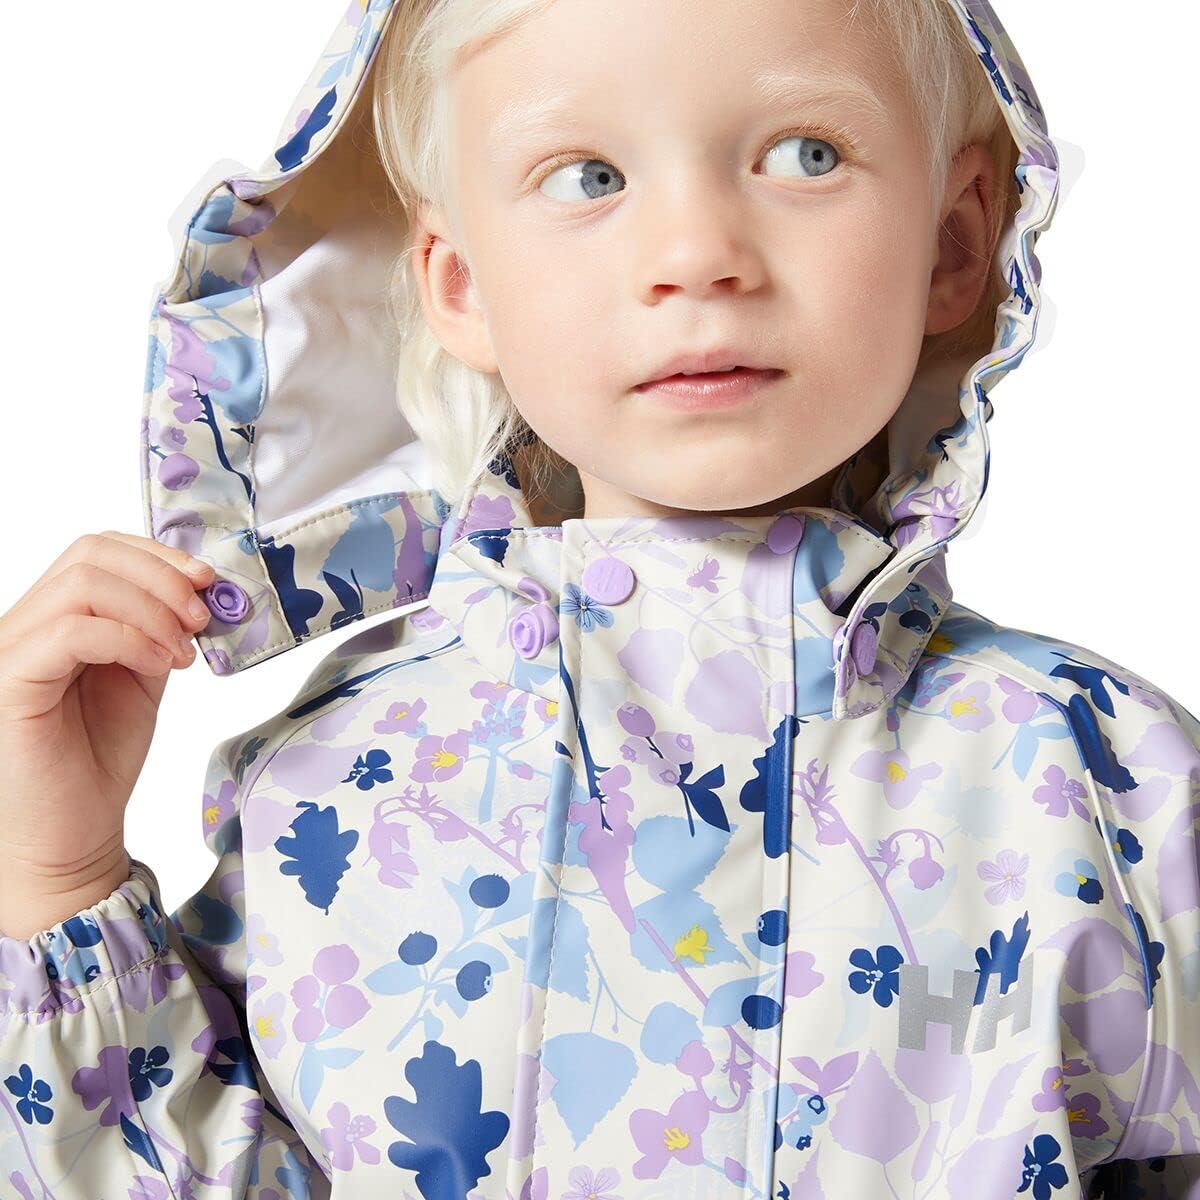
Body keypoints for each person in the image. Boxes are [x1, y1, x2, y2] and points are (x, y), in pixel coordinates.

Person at [0, 0, 1195, 1196]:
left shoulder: (1108, 787)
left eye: (805, 155)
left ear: (955, 240)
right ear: (460, 284)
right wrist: (52, 876)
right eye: (588, 176)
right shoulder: (333, 791)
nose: (697, 253)